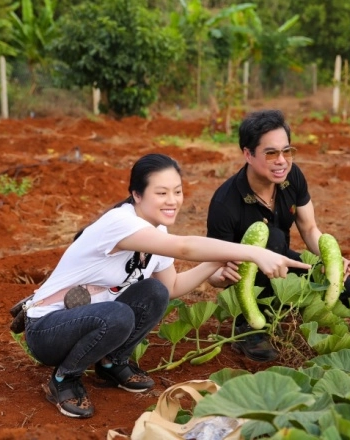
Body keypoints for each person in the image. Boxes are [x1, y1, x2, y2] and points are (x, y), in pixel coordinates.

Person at [23, 153, 309, 419]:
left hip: (90, 321)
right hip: (47, 331)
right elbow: (184, 247)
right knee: (119, 315)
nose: (172, 200)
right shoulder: (120, 223)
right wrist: (253, 252)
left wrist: (216, 264)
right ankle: (64, 379)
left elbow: (171, 287)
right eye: (161, 193)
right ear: (137, 194)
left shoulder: (157, 232)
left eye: (177, 191)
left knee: (155, 292)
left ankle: (112, 363)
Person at [206, 109, 350, 362]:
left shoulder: (292, 177)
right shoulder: (226, 203)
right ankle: (248, 326)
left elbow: (309, 228)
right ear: (248, 154)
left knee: (349, 291)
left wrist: (331, 261)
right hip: (246, 281)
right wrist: (220, 277)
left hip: (281, 263)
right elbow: (212, 267)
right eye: (271, 153)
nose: (282, 161)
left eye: (286, 151)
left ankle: (286, 311)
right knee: (273, 238)